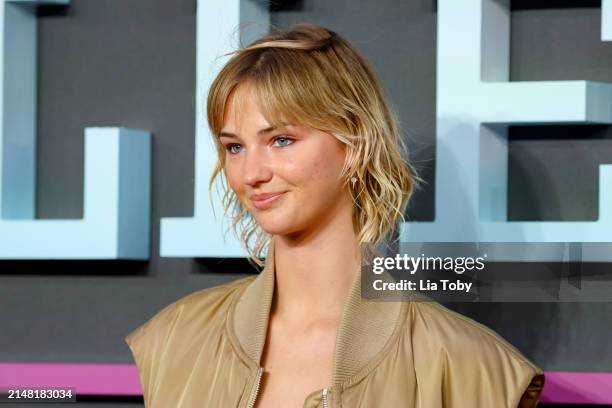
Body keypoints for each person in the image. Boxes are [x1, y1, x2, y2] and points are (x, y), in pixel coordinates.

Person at [125, 23, 545, 407]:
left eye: (282, 140)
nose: (252, 173)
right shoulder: (175, 338)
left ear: (355, 140)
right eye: (235, 147)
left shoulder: (468, 364)